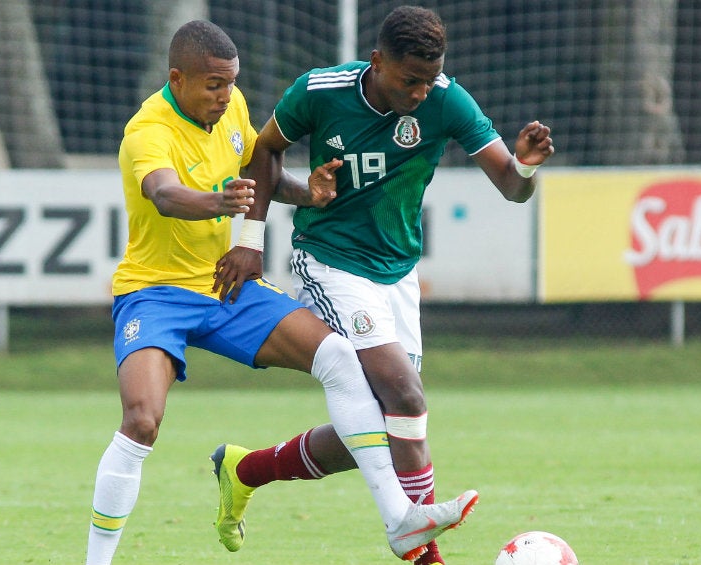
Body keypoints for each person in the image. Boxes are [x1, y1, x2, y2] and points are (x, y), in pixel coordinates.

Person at [84, 19, 479, 565]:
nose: (226, 97)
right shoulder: (147, 130)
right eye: (213, 85)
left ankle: (400, 522)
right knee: (142, 420)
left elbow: (257, 172)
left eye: (230, 83)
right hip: (154, 294)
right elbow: (166, 194)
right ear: (177, 78)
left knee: (341, 359)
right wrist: (216, 203)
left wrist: (307, 194)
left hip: (225, 284)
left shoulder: (236, 109)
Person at [211, 6, 555, 565]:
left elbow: (511, 186)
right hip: (329, 261)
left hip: (396, 273)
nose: (421, 93)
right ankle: (421, 551)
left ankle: (244, 470)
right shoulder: (319, 91)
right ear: (377, 62)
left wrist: (527, 167)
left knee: (388, 425)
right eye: (409, 80)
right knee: (405, 395)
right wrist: (251, 238)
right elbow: (266, 148)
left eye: (429, 79)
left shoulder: (447, 99)